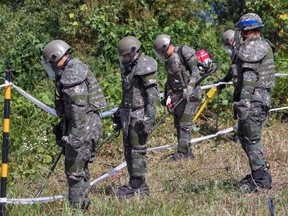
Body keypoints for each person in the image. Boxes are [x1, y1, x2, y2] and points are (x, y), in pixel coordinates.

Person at [41, 40, 107, 209]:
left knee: (74, 170)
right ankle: (83, 203)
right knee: (80, 167)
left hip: (83, 125)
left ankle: (76, 209)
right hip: (87, 123)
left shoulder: (72, 75)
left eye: (52, 63)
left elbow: (78, 111)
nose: (52, 68)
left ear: (57, 57)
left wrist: (73, 138)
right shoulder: (75, 67)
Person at [224, 13, 275, 192]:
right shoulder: (263, 44)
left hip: (254, 100)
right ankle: (258, 172)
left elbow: (250, 76)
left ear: (246, 31)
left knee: (252, 139)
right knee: (244, 136)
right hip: (258, 99)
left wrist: (244, 101)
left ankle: (261, 180)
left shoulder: (253, 47)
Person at [112, 36, 159, 198]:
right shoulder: (128, 68)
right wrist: (119, 112)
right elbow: (127, 94)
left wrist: (149, 119)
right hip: (128, 113)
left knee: (138, 150)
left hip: (139, 113)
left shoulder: (145, 65)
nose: (123, 59)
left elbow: (153, 96)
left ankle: (139, 185)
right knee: (128, 149)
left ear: (133, 52)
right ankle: (134, 182)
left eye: (125, 55)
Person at [153, 34, 202, 161]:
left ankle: (182, 153)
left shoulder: (183, 52)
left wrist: (190, 87)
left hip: (191, 94)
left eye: (161, 52)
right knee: (179, 124)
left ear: (166, 46)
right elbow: (170, 81)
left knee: (185, 123)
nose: (161, 54)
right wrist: (166, 96)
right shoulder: (168, 61)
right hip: (177, 96)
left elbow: (196, 72)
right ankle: (187, 152)